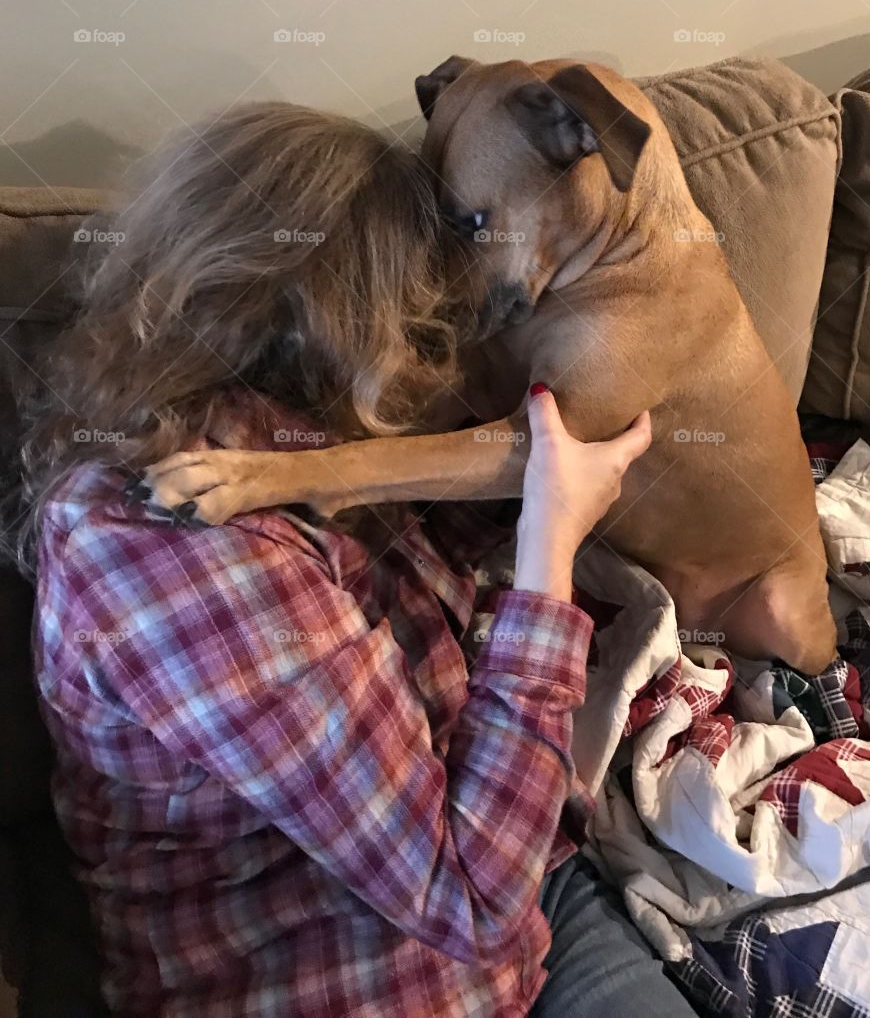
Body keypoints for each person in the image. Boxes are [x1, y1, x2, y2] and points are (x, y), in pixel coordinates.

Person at [22, 102, 696, 1017]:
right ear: (340, 308)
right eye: (411, 302)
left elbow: (423, 563)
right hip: (361, 970)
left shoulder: (294, 427)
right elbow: (468, 900)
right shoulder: (163, 549)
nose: (436, 334)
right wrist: (549, 548)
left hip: (539, 883)